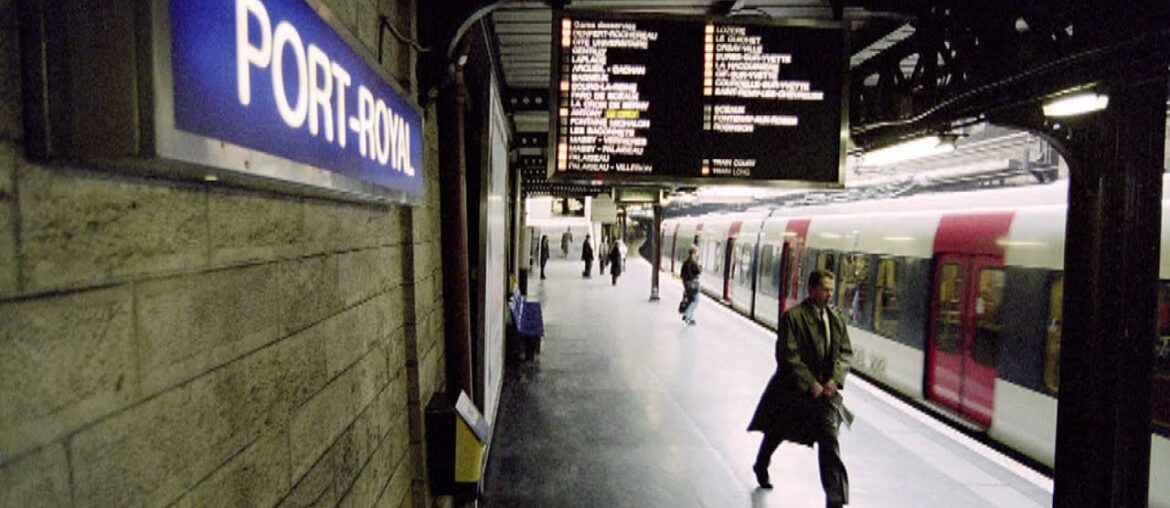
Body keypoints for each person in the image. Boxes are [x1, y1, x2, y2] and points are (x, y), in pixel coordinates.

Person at [748, 269, 854, 508]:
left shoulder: (835, 318)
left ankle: (834, 500)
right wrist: (810, 383)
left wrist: (834, 380)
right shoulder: (793, 317)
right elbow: (787, 355)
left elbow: (846, 352)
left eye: (831, 290)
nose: (830, 295)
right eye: (825, 289)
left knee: (829, 440)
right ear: (812, 289)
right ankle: (761, 464)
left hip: (825, 394)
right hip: (792, 390)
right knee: (777, 430)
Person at [680, 246, 701, 325]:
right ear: (694, 253)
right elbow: (698, 271)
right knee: (696, 300)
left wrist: (685, 283)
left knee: (690, 300)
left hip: (687, 285)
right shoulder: (693, 262)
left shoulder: (685, 262)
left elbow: (682, 274)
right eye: (697, 252)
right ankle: (687, 315)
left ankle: (690, 318)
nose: (698, 254)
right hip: (693, 284)